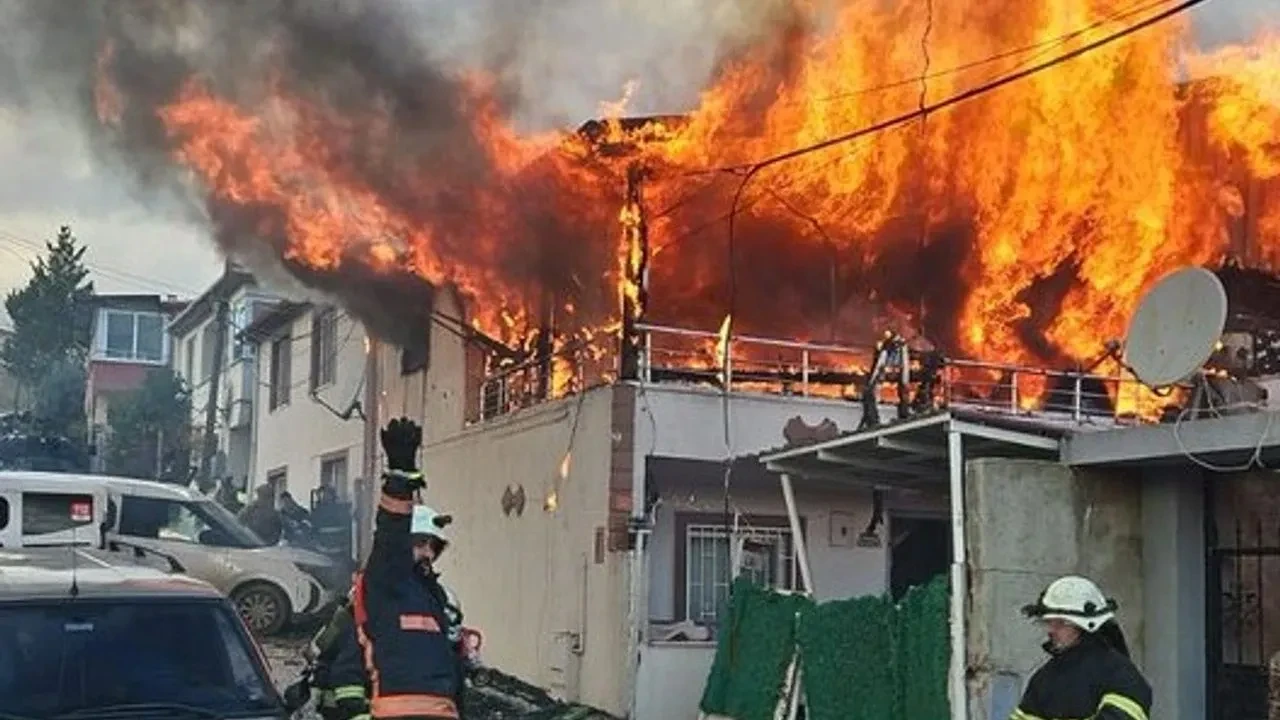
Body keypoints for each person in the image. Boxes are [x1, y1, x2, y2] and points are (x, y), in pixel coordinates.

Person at [352, 418, 461, 719]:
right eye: (420, 543)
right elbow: (389, 536)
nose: (427, 553)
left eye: (433, 546)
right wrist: (400, 480)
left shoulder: (435, 596)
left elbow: (452, 670)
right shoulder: (389, 580)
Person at [1011, 575, 1151, 720]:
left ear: (1086, 625)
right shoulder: (1045, 678)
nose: (1051, 630)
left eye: (1060, 623)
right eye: (1048, 622)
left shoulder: (1118, 674)